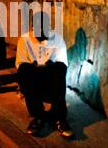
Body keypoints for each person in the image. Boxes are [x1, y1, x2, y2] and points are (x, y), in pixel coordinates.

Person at [16, 11, 73, 139]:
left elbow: (63, 64)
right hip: (33, 79)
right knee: (24, 70)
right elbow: (20, 64)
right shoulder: (24, 39)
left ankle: (60, 118)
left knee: (59, 69)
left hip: (51, 79)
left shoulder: (57, 39)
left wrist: (50, 65)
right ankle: (38, 116)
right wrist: (33, 67)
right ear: (32, 28)